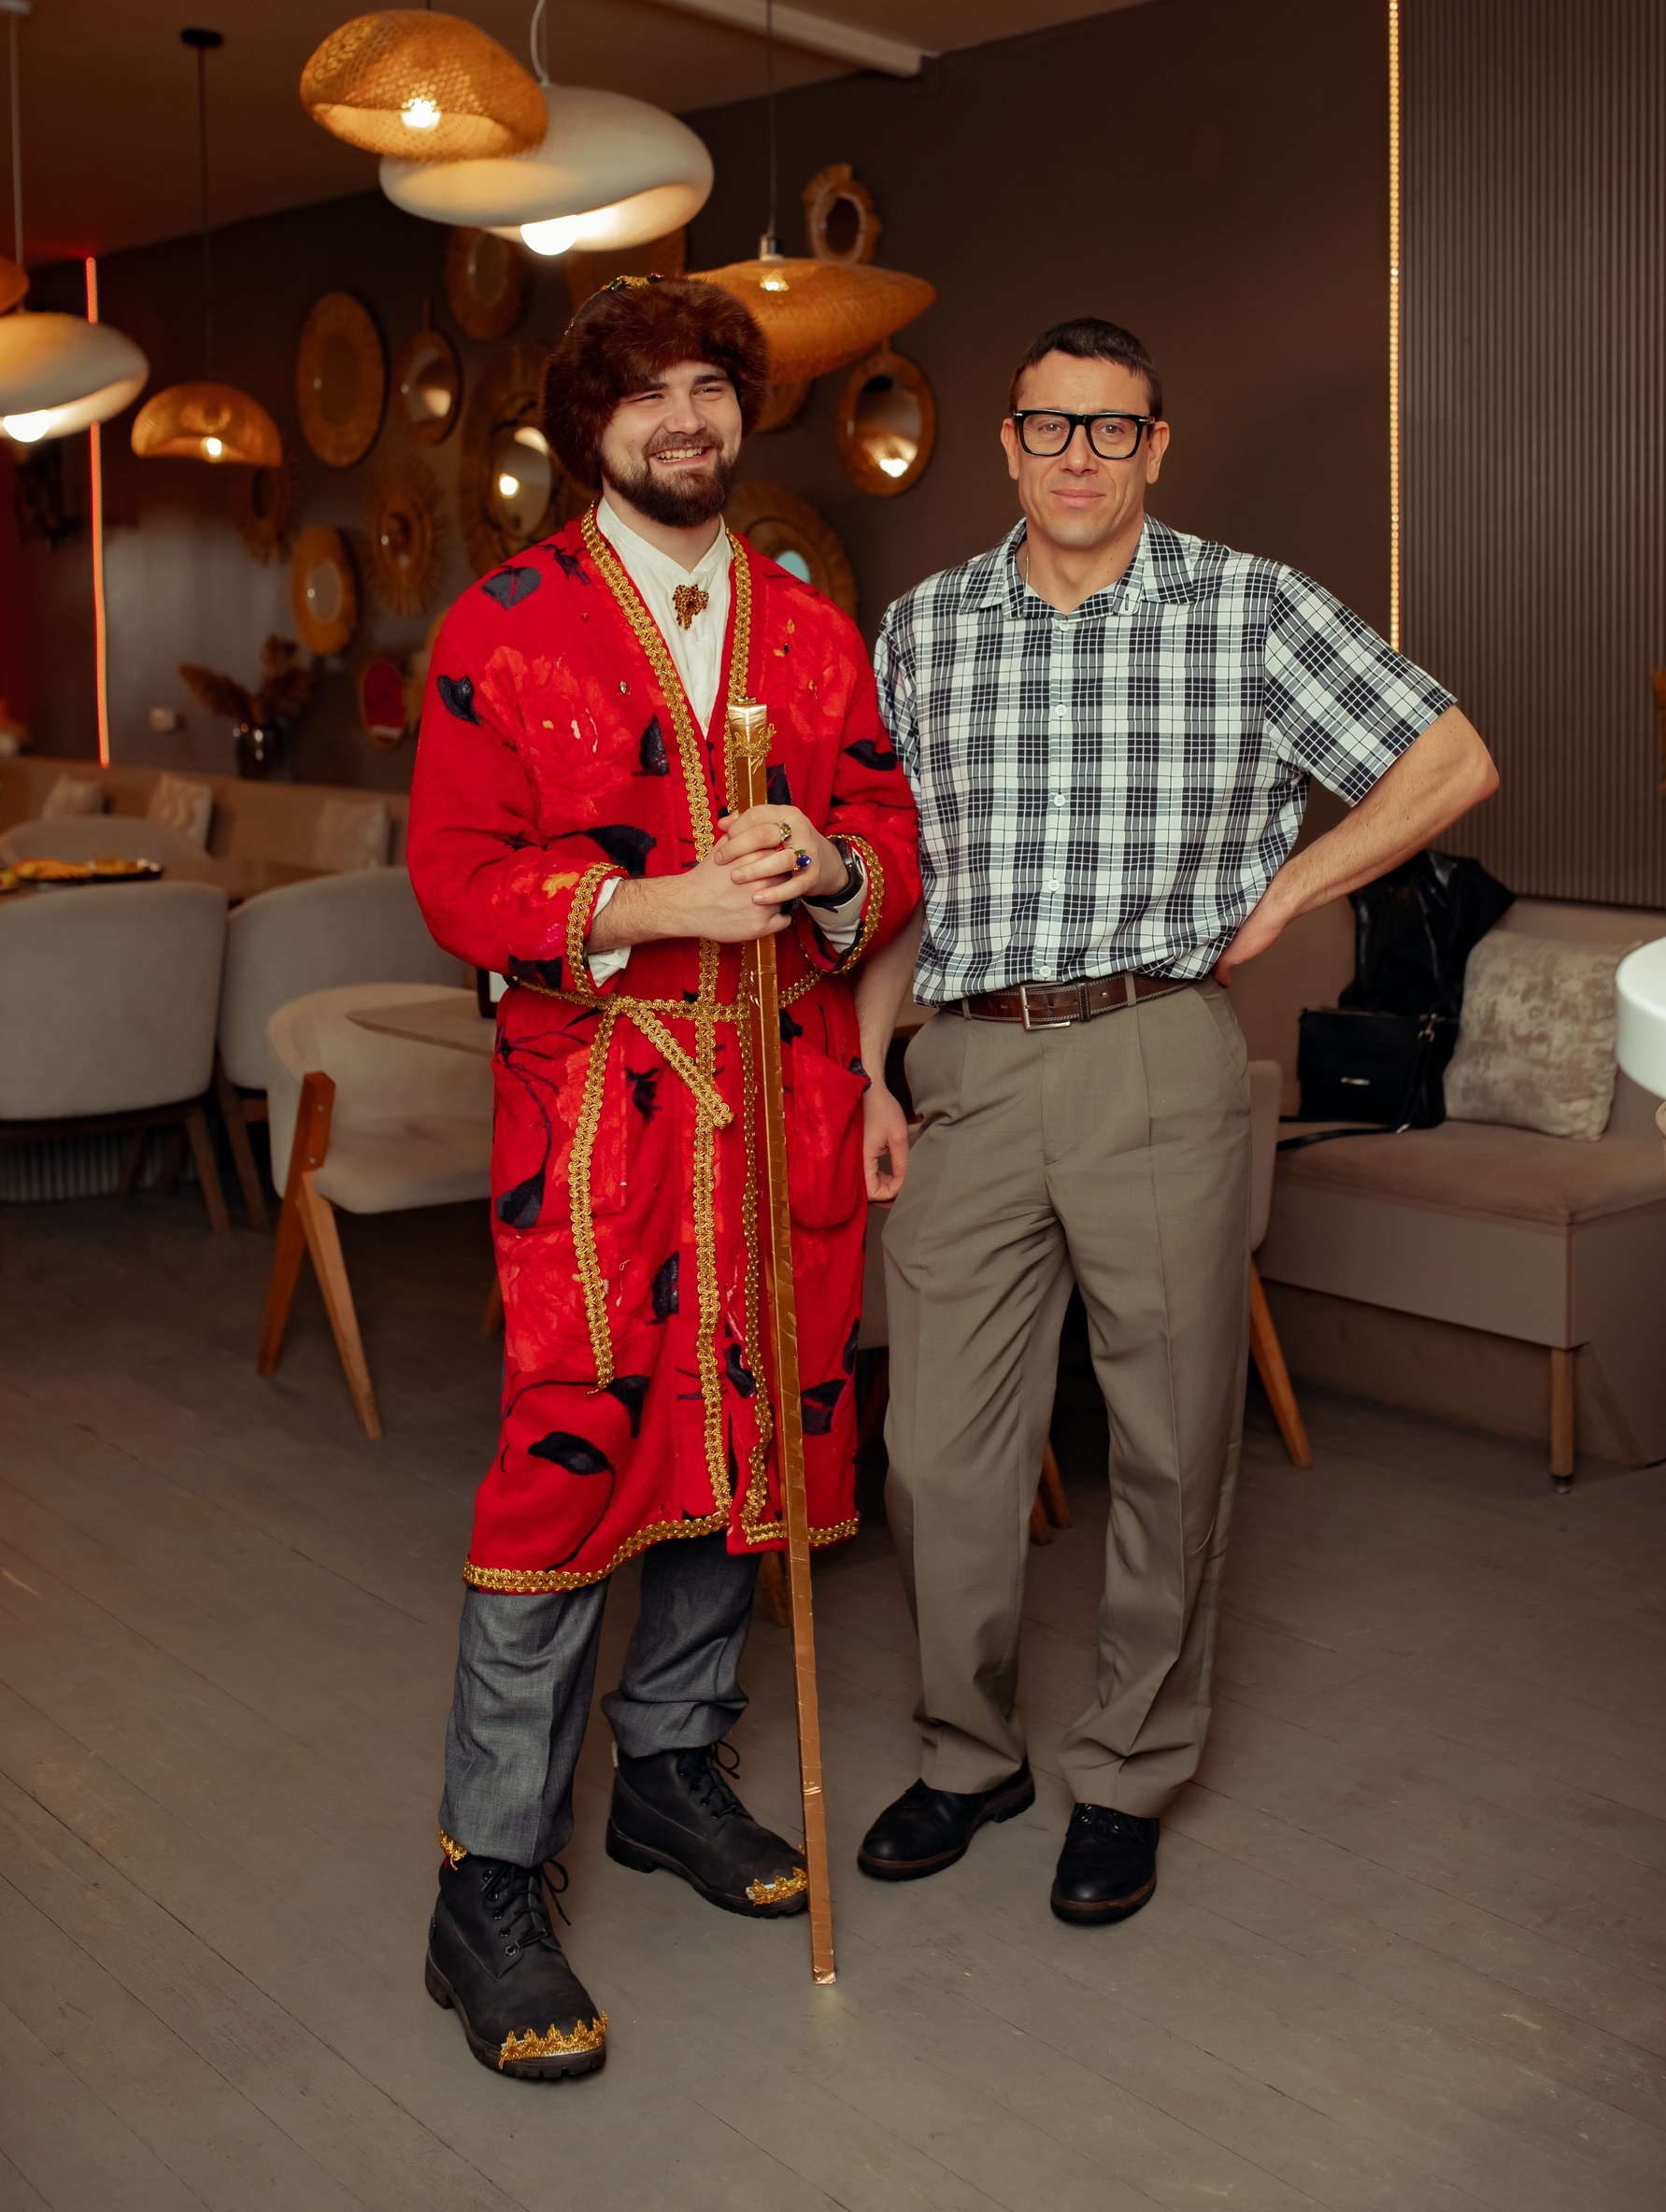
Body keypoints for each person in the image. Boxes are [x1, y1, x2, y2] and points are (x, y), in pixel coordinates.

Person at [852, 316, 1496, 1928]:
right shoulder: (923, 629)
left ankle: (1128, 1775)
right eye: (1050, 426)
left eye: (1112, 428)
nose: (1078, 456)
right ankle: (965, 1754)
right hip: (970, 1062)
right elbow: (904, 883)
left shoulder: (1249, 608)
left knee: (1168, 1440)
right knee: (933, 1458)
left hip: (1157, 1048)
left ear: (1157, 447)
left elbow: (1451, 761)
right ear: (1007, 443)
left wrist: (1290, 892)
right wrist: (866, 1070)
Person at [407, 276, 919, 2077]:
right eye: (644, 396)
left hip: (781, 1096)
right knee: (568, 1467)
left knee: (750, 1437)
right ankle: (487, 1879)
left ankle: (673, 1771)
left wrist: (827, 862)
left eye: (709, 386)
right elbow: (456, 879)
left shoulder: (813, 632)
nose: (684, 419)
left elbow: (891, 833)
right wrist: (649, 902)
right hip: (601, 1116)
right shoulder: (505, 624)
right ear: (589, 431)